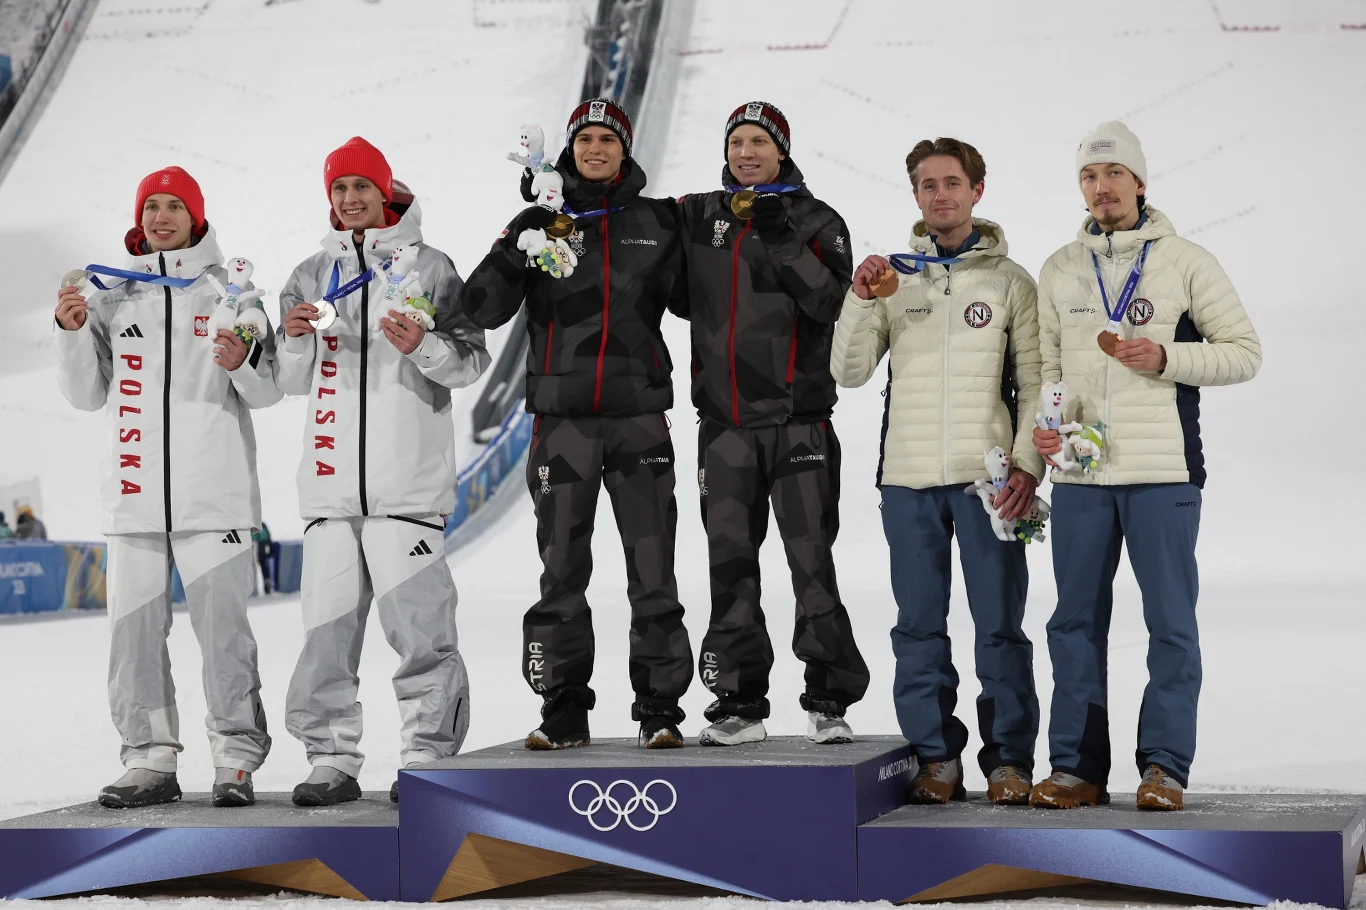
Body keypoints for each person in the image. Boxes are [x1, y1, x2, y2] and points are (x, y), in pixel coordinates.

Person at [1029, 122, 1261, 811]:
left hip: (1164, 474)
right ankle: (1075, 769)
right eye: (1088, 178)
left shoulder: (1187, 261)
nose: (1100, 189)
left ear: (1139, 182)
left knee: (1169, 623)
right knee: (1072, 622)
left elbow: (1245, 352)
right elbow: (1046, 369)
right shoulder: (1059, 268)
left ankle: (1163, 769)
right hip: (1079, 477)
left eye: (1113, 175)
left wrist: (1168, 359)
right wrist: (1045, 436)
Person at [463, 98, 692, 750]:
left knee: (654, 567)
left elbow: (695, 301)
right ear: (570, 149)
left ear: (626, 149)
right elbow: (479, 306)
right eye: (586, 139)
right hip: (562, 424)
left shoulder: (654, 221)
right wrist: (523, 246)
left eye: (608, 139)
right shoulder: (539, 219)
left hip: (639, 420)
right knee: (561, 569)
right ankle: (564, 705)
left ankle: (660, 708)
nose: (596, 149)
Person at [53, 166, 279, 808]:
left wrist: (247, 361)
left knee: (225, 637)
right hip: (133, 499)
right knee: (133, 638)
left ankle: (235, 756)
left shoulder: (232, 292)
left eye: (173, 205)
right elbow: (84, 394)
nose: (160, 217)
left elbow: (264, 392)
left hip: (216, 501)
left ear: (196, 216)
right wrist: (71, 333)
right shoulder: (111, 296)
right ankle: (148, 758)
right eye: (150, 206)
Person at [275, 137, 489, 807]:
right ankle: (331, 758)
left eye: (360, 187)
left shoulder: (430, 267)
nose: (349, 200)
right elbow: (287, 380)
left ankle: (428, 754)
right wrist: (293, 339)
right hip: (331, 494)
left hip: (407, 490)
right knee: (325, 639)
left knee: (423, 634)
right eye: (339, 190)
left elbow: (470, 361)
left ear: (385, 189)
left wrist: (421, 344)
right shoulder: (311, 273)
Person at [830, 137, 1044, 805]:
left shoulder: (1012, 283)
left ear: (977, 190)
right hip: (909, 484)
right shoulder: (892, 278)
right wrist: (862, 298)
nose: (941, 194)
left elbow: (1037, 383)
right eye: (928, 185)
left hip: (990, 487)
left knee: (1000, 626)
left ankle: (1008, 762)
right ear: (917, 196)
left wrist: (1029, 468)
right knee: (918, 627)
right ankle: (935, 760)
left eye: (953, 182)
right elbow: (849, 372)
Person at [675, 101, 868, 747]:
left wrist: (781, 234)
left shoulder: (816, 219)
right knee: (729, 566)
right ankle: (738, 703)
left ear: (781, 150)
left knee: (811, 564)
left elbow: (831, 305)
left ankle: (828, 699)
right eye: (737, 142)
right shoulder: (700, 216)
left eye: (760, 141)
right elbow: (670, 288)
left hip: (798, 425)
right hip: (724, 428)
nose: (747, 152)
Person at [251, 522, 273, 595]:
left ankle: (266, 586)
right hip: (255, 546)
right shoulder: (260, 525)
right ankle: (254, 589)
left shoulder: (262, 525)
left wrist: (269, 546)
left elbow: (268, 537)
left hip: (260, 546)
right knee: (256, 568)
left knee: (263, 567)